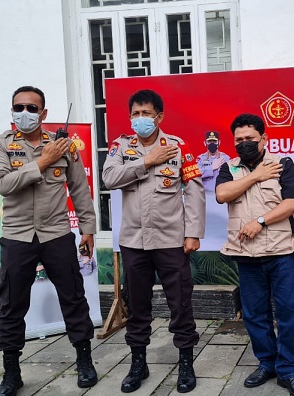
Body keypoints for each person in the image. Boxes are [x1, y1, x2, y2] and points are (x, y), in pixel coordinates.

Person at [0, 86, 98, 396]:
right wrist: (43, 162)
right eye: (18, 107)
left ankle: (85, 361)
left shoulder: (64, 146)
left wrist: (87, 229)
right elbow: (5, 185)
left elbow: (80, 190)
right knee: (12, 305)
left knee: (74, 299)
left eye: (32, 108)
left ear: (43, 113)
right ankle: (11, 372)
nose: (25, 113)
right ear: (11, 110)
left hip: (57, 234)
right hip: (17, 236)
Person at [102, 89, 205, 394]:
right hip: (134, 241)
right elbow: (110, 179)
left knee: (181, 303)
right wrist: (147, 161)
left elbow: (195, 190)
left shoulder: (177, 146)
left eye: (147, 113)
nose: (140, 119)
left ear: (160, 116)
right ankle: (138, 363)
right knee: (137, 304)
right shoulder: (121, 147)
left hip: (171, 239)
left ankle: (186, 362)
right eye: (136, 113)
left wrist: (193, 232)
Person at [215, 113, 294, 396]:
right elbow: (222, 194)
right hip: (245, 255)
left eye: (250, 139)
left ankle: (290, 371)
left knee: (289, 314)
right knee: (255, 315)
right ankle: (266, 363)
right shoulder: (228, 167)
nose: (244, 144)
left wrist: (260, 222)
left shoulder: (283, 165)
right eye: (239, 140)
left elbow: (293, 202)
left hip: (281, 253)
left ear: (264, 138)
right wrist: (256, 175)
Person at [196, 131, 230, 250]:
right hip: (206, 200)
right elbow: (195, 174)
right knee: (207, 230)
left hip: (221, 200)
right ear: (205, 143)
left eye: (214, 141)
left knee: (222, 228)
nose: (212, 144)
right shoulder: (200, 159)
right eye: (209, 141)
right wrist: (211, 168)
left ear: (219, 142)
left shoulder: (226, 158)